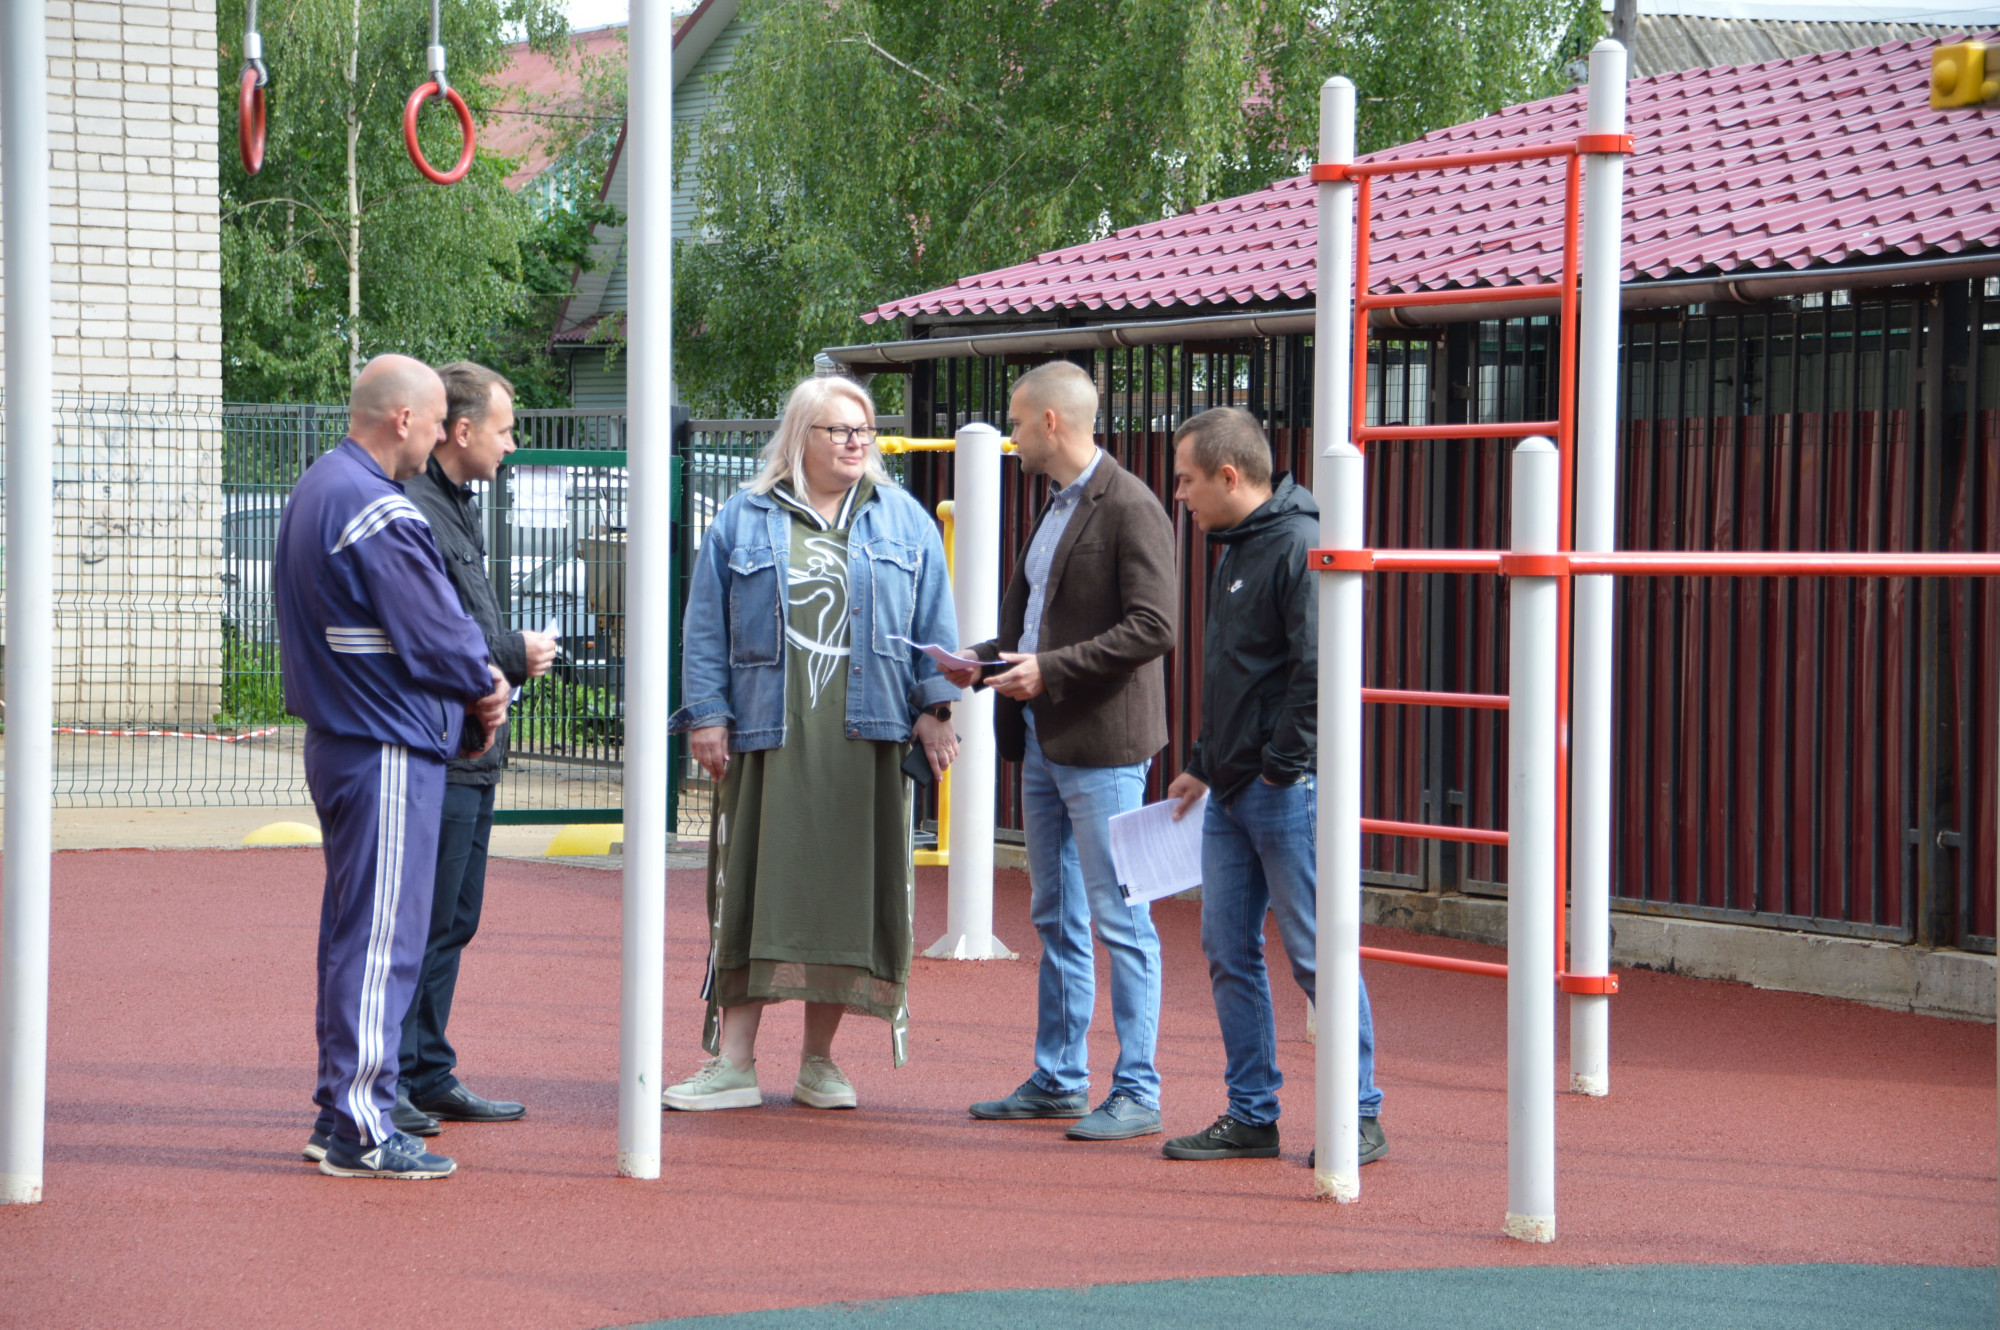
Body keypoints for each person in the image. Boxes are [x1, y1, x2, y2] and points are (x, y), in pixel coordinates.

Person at [664, 373, 961, 1112]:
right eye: (840, 429)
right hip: (769, 732)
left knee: (841, 896)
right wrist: (707, 714)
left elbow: (933, 626)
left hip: (867, 736)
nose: (858, 440)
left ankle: (819, 1062)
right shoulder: (744, 517)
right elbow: (705, 626)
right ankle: (733, 1063)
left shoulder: (905, 521)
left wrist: (935, 708)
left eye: (864, 428)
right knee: (752, 894)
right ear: (803, 438)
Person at [276, 354, 511, 1180]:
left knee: (353, 934)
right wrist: (487, 687)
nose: (447, 431)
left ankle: (340, 1109)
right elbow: (443, 637)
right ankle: (362, 1129)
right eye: (439, 414)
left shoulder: (318, 487)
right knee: (382, 940)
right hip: (384, 744)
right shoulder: (379, 508)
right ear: (404, 419)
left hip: (348, 739)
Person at [948, 359, 1177, 1143]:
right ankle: (1059, 1078)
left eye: (1015, 421)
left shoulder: (1132, 506)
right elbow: (1040, 625)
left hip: (1105, 748)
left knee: (1120, 917)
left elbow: (1155, 627)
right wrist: (979, 662)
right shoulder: (1053, 506)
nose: (1010, 436)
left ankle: (1138, 1089)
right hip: (1045, 740)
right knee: (1056, 914)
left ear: (1051, 422)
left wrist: (1049, 670)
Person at [1158, 406, 1386, 1167]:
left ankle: (1359, 1113)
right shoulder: (1235, 545)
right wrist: (1202, 757)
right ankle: (1252, 1113)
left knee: (1317, 951)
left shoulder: (1298, 544)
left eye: (1187, 480)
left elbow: (1318, 671)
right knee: (1227, 947)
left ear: (1229, 476)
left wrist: (1280, 767)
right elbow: (1234, 672)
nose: (1179, 494)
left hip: (1281, 788)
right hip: (1231, 787)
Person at [386, 362, 560, 1138]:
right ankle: (391, 1079)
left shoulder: (454, 506)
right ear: (461, 432)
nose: (512, 444)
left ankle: (428, 1072)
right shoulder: (417, 508)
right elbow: (438, 636)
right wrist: (515, 652)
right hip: (441, 750)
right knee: (422, 922)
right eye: (504, 429)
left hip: (475, 749)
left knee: (456, 918)